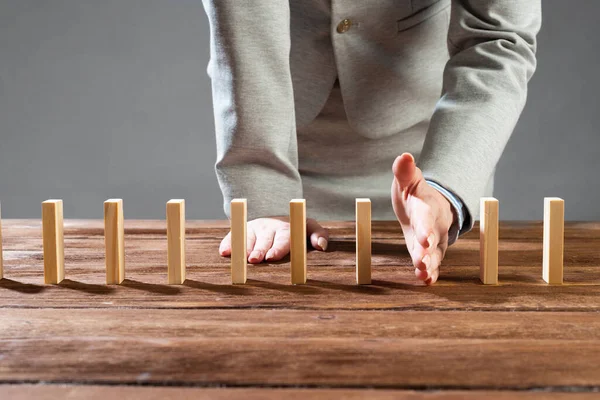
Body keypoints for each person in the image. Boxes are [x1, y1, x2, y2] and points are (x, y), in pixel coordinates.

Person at [201, 0, 541, 284]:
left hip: (434, 146)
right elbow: (245, 27)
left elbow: (498, 39)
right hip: (280, 141)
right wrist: (265, 197)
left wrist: (445, 189)